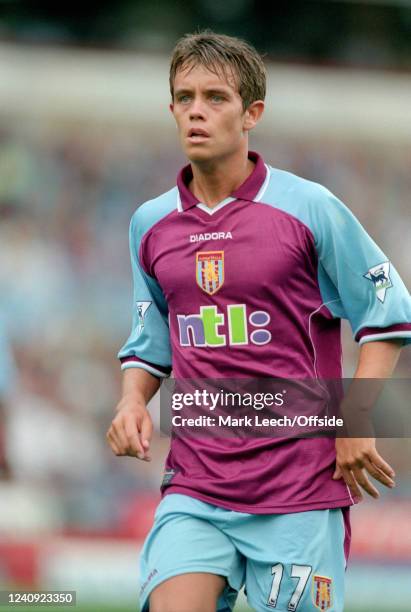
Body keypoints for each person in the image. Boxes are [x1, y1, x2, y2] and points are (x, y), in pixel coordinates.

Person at [107, 31, 411, 612]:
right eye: (185, 97)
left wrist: (354, 417)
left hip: (297, 487)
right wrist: (130, 402)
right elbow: (150, 341)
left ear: (252, 113)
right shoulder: (149, 224)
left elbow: (386, 312)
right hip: (196, 484)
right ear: (171, 108)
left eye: (215, 98)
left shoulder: (309, 208)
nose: (197, 110)